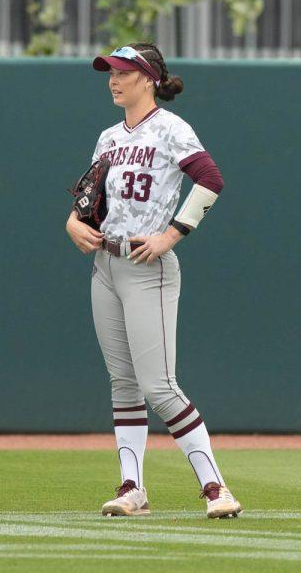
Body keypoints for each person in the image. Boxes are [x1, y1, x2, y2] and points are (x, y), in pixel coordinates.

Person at [66, 43, 242, 519]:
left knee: (159, 385)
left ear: (147, 78)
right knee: (123, 384)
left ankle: (215, 488)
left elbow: (211, 180)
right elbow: (90, 199)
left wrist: (173, 233)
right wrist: (73, 221)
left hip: (148, 266)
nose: (112, 79)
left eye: (122, 71)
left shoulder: (170, 128)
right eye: (110, 72)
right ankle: (131, 488)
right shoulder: (108, 137)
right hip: (106, 265)